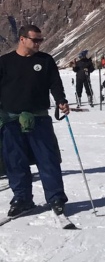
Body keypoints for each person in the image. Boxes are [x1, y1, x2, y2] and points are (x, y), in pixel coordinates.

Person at [0, 24, 70, 218]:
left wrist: (61, 100)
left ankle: (56, 198)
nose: (39, 43)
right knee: (15, 161)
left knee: (47, 159)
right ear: (22, 39)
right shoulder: (4, 62)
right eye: (35, 40)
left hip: (39, 118)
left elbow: (55, 83)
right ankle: (22, 199)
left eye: (41, 40)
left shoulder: (45, 60)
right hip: (11, 119)